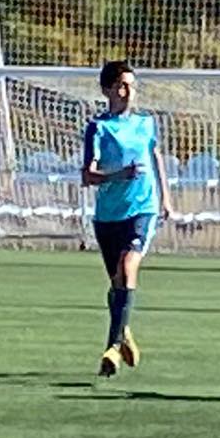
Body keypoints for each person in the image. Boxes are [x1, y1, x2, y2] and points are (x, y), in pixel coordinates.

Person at [81, 60, 173, 377]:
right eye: (121, 85)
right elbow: (88, 176)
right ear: (107, 89)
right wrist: (120, 174)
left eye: (132, 84)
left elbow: (155, 156)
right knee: (117, 284)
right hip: (108, 216)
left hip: (142, 209)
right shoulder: (99, 128)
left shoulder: (146, 124)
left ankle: (111, 347)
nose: (128, 91)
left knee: (127, 267)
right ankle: (125, 333)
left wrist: (166, 198)